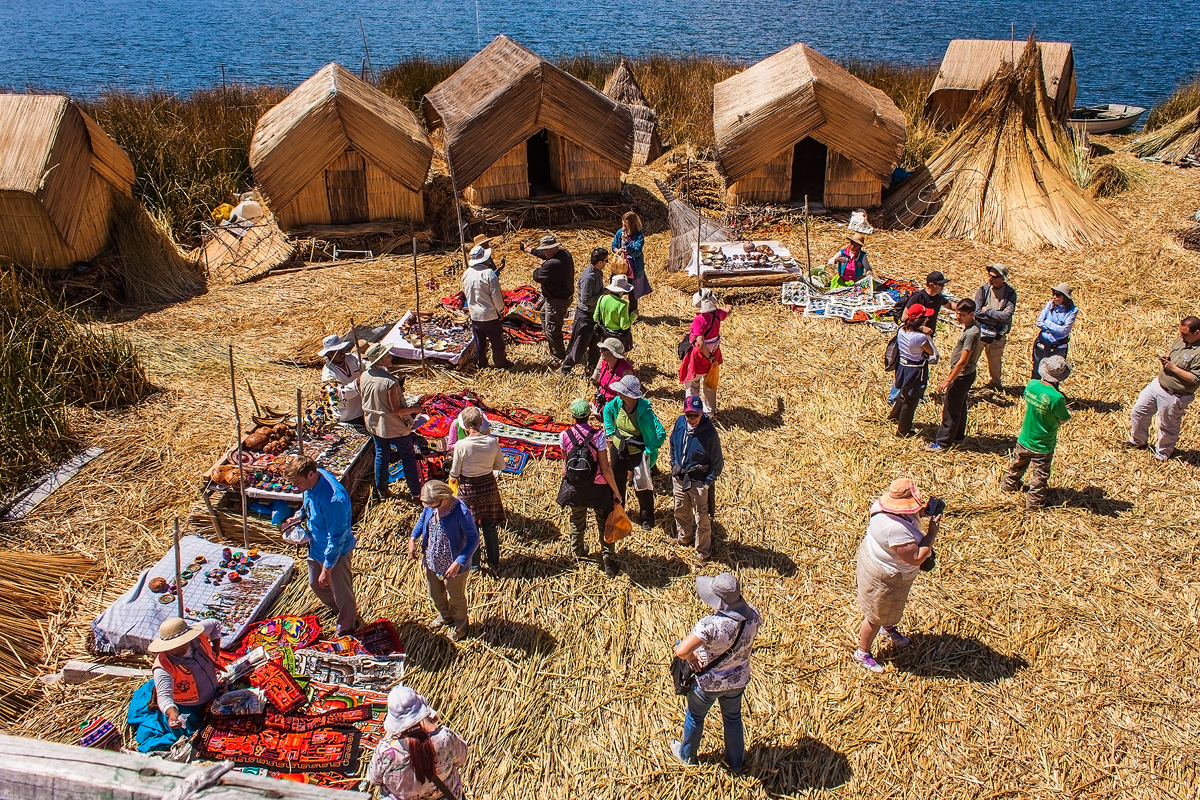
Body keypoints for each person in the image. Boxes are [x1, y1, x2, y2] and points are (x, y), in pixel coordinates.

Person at [669, 573, 762, 772]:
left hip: (709, 684)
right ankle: (736, 762)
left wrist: (693, 658)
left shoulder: (710, 625)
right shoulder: (753, 614)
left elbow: (681, 651)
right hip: (738, 680)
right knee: (733, 718)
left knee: (695, 716)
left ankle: (687, 755)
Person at [854, 478, 939, 672]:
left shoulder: (883, 507)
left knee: (888, 608)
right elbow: (916, 557)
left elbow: (906, 515)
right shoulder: (894, 531)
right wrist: (932, 533)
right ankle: (862, 653)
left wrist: (920, 512)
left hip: (885, 569)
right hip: (885, 577)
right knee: (874, 616)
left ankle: (888, 626)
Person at [283, 456, 358, 635]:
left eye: (298, 482)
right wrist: (298, 517)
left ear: (310, 474)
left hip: (335, 554)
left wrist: (327, 568)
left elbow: (337, 538)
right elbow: (308, 502)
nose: (295, 487)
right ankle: (338, 610)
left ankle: (347, 627)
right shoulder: (311, 481)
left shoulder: (334, 501)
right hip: (316, 545)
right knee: (316, 584)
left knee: (343, 594)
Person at [556, 398, 624, 577]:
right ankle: (608, 560)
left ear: (573, 416)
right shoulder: (598, 435)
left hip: (575, 486)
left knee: (577, 518)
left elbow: (565, 459)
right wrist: (616, 492)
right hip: (598, 487)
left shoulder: (564, 435)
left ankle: (578, 550)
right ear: (589, 415)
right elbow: (605, 467)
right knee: (605, 522)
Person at [368, 686, 469, 800]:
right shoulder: (445, 738)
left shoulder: (385, 751)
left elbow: (374, 779)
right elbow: (462, 759)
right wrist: (433, 728)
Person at [409, 480, 479, 642]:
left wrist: (458, 562)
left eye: (433, 505)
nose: (430, 508)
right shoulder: (431, 506)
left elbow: (474, 540)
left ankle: (461, 629)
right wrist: (413, 538)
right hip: (432, 560)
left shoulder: (461, 512)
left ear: (444, 497)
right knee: (435, 593)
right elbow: (422, 521)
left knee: (456, 599)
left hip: (453, 566)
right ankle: (446, 617)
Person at [1002, 356, 1072, 510]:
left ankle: (1009, 485)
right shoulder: (1057, 398)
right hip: (1043, 444)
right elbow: (1064, 418)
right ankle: (1034, 502)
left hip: (1024, 438)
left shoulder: (1032, 384)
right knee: (1039, 475)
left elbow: (1027, 397)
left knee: (1017, 464)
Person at [1126, 316, 1200, 462]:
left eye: (1185, 334)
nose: (1181, 336)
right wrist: (1166, 357)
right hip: (1158, 385)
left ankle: (1162, 454)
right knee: (1139, 411)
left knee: (1167, 426)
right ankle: (1137, 441)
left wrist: (1174, 368)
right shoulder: (1182, 339)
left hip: (1175, 395)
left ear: (1197, 333)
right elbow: (1173, 351)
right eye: (1180, 333)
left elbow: (1195, 378)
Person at [360, 344, 424, 500]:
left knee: (381, 455)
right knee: (408, 457)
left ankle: (381, 491)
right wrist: (415, 409)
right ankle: (415, 492)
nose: (391, 357)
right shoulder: (390, 383)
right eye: (388, 356)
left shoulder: (364, 376)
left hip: (375, 424)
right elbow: (397, 410)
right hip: (394, 426)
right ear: (380, 360)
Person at [602, 374, 665, 531]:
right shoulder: (617, 403)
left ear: (629, 394)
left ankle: (647, 518)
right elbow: (607, 411)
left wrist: (650, 449)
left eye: (622, 391)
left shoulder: (644, 410)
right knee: (617, 482)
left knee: (641, 485)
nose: (618, 393)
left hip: (637, 452)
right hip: (618, 448)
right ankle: (619, 511)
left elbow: (660, 433)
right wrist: (610, 431)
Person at [448, 407, 505, 571]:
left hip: (468, 489)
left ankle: (474, 564)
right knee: (489, 525)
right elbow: (501, 465)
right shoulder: (492, 442)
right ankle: (494, 561)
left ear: (465, 426)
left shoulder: (461, 445)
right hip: (488, 487)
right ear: (481, 423)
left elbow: (455, 472)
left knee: (471, 529)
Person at [669, 396, 724, 567]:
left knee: (702, 519)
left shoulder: (709, 433)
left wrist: (707, 482)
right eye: (689, 415)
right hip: (680, 477)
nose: (692, 419)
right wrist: (673, 463)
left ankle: (703, 552)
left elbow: (717, 462)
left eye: (696, 415)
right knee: (680, 510)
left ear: (701, 414)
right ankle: (684, 538)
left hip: (699, 481)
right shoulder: (680, 423)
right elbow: (672, 443)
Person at [148, 617, 222, 734]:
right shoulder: (163, 667)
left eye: (181, 643)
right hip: (192, 707)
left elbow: (215, 624)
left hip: (215, 694)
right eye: (173, 645)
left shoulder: (199, 638)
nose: (177, 648)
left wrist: (216, 650)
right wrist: (172, 714)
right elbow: (164, 697)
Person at [929, 299, 983, 451]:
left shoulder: (972, 333)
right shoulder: (970, 328)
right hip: (964, 375)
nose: (958, 317)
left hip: (962, 375)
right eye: (957, 313)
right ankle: (958, 436)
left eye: (962, 315)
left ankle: (943, 442)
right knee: (960, 405)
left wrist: (948, 380)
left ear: (972, 314)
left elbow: (963, 361)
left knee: (951, 408)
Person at [521, 234, 574, 361]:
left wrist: (540, 265)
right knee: (543, 315)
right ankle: (552, 343)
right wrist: (529, 250)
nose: (543, 252)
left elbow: (537, 277)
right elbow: (544, 255)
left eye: (544, 249)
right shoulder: (564, 254)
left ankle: (559, 355)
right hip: (563, 296)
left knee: (553, 328)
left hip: (556, 300)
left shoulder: (551, 264)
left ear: (550, 249)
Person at [680, 289, 731, 416]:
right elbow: (727, 311)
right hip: (714, 354)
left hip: (701, 357)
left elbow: (701, 342)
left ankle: (692, 410)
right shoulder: (718, 314)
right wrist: (729, 306)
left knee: (693, 382)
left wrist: (708, 357)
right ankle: (710, 411)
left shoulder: (699, 320)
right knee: (710, 384)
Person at [888, 304, 937, 437]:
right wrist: (927, 336)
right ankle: (903, 431)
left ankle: (894, 416)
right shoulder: (920, 338)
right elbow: (931, 351)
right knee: (910, 401)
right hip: (916, 370)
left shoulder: (901, 330)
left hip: (903, 367)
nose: (927, 319)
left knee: (903, 393)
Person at [560, 248, 608, 376]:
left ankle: (591, 368)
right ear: (599, 262)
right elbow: (586, 300)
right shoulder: (588, 277)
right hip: (585, 316)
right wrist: (603, 297)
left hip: (595, 314)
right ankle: (565, 368)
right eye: (606, 261)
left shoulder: (598, 272)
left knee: (595, 343)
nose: (606, 263)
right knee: (579, 345)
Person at [462, 243, 510, 369]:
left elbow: (466, 293)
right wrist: (500, 310)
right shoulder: (489, 273)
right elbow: (496, 295)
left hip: (475, 314)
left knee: (479, 341)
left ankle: (482, 363)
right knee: (497, 341)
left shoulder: (467, 273)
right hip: (489, 314)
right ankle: (501, 363)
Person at [974, 264, 1018, 390]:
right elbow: (976, 312)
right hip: (981, 331)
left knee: (995, 360)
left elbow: (1007, 316)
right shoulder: (983, 290)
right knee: (972, 359)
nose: (990, 279)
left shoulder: (1010, 294)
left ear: (1002, 278)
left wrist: (987, 311)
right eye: (989, 275)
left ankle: (995, 384)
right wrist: (996, 315)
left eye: (994, 276)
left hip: (998, 334)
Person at [1031, 284, 1077, 380]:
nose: (1054, 297)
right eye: (1054, 294)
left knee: (1054, 375)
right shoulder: (1049, 305)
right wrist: (1056, 327)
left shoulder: (1072, 311)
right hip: (1042, 344)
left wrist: (1047, 323)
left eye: (1058, 295)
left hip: (1058, 348)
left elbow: (1064, 331)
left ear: (1065, 297)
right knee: (1036, 371)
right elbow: (1039, 322)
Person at [320, 334, 363, 425]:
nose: (342, 352)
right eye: (337, 351)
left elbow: (365, 365)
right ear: (329, 354)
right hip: (347, 416)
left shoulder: (352, 358)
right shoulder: (328, 373)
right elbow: (337, 394)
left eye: (342, 349)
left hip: (363, 409)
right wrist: (357, 383)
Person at [613, 211, 651, 314]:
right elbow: (614, 246)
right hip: (620, 266)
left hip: (633, 267)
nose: (623, 226)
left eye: (626, 223)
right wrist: (618, 250)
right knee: (617, 289)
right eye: (623, 223)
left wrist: (626, 243)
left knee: (633, 292)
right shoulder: (619, 233)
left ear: (632, 223)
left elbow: (636, 252)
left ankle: (632, 313)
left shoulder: (638, 236)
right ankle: (616, 311)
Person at [593, 274, 636, 353]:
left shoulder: (602, 298)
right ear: (622, 291)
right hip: (617, 337)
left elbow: (595, 318)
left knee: (605, 353)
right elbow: (624, 326)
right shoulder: (623, 305)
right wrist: (633, 316)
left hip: (605, 333)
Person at [592, 338, 633, 410]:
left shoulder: (626, 370)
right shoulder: (605, 362)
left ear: (612, 353)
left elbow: (628, 395)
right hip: (602, 400)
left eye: (603, 349)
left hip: (615, 406)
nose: (600, 351)